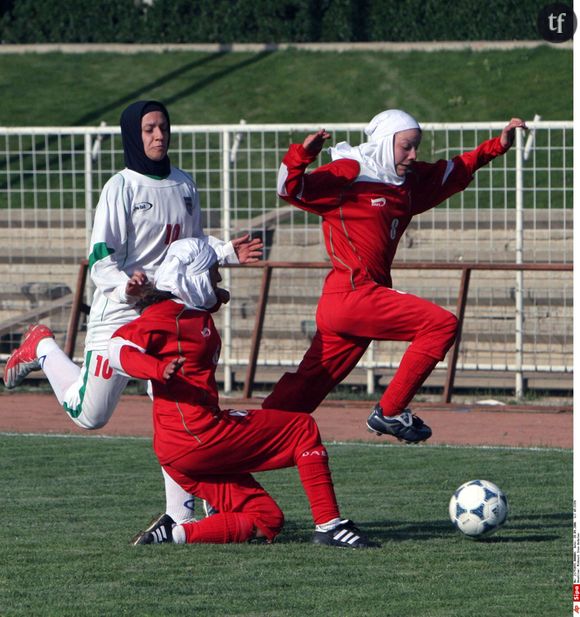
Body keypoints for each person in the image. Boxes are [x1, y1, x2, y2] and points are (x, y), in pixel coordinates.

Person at [3, 100, 262, 527]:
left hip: (165, 313)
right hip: (119, 313)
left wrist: (228, 252)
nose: (159, 136)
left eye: (163, 127)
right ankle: (42, 346)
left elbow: (192, 246)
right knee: (91, 416)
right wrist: (127, 286)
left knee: (173, 401)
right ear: (132, 135)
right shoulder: (119, 188)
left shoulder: (184, 184)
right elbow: (101, 259)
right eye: (149, 129)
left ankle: (179, 516)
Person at [263, 110, 527, 442]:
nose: (413, 155)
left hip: (350, 304)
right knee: (440, 324)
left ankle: (242, 440)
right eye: (406, 146)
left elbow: (454, 169)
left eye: (416, 146)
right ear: (386, 143)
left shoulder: (406, 181)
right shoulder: (350, 171)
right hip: (354, 293)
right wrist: (303, 155)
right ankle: (389, 412)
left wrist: (497, 146)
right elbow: (288, 189)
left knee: (302, 392)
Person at [107, 237, 378, 548]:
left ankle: (174, 535)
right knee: (301, 427)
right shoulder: (169, 314)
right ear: (193, 277)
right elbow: (117, 348)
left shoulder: (186, 312)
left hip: (177, 453)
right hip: (199, 436)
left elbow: (192, 320)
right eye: (212, 272)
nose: (218, 278)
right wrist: (157, 369)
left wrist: (214, 293)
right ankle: (330, 524)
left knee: (267, 520)